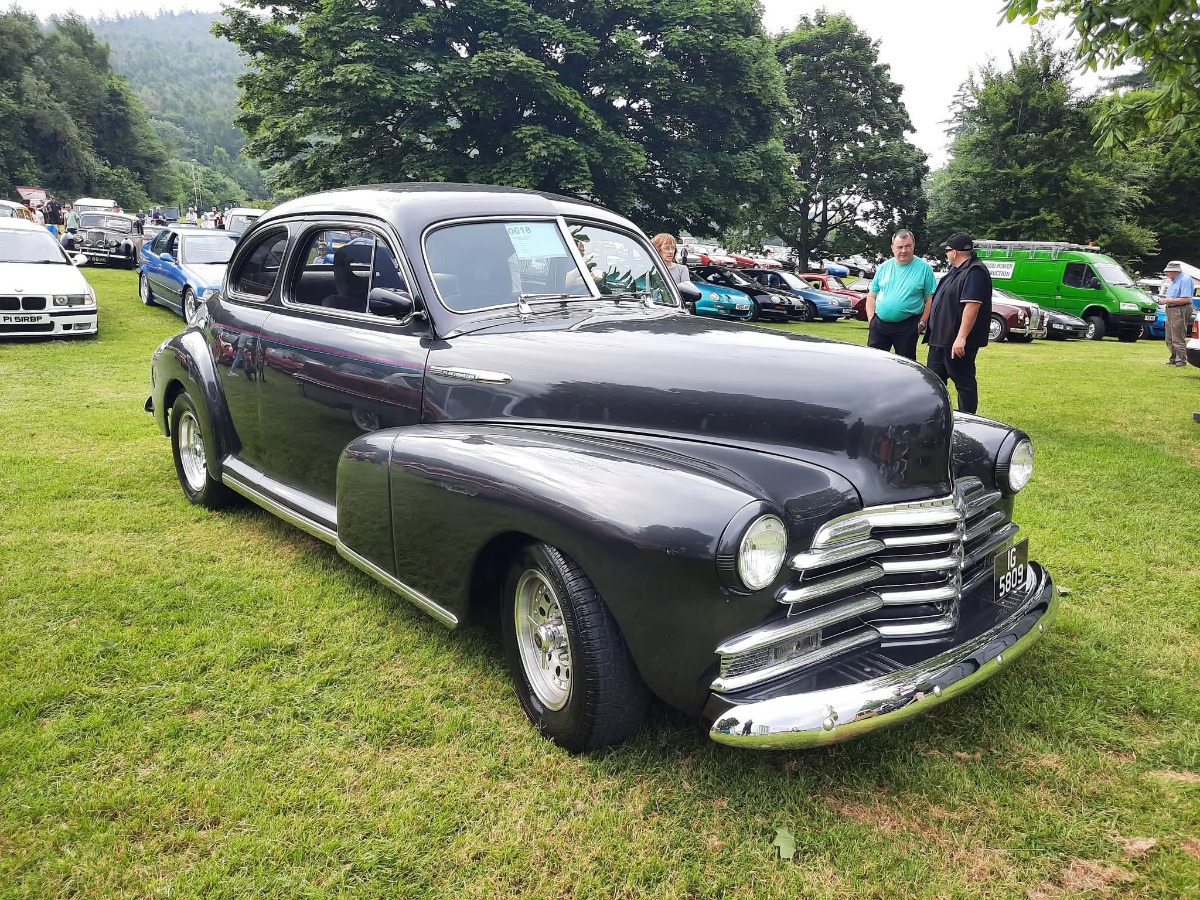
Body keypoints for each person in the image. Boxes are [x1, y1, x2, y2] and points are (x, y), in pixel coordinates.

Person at [924, 233, 992, 414]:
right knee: (933, 382)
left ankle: (969, 419)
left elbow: (972, 306)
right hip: (940, 339)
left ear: (954, 252)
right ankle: (936, 416)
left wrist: (961, 338)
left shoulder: (975, 272)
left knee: (963, 382)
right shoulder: (956, 270)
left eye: (947, 250)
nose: (946, 254)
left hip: (954, 341)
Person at [865, 229, 937, 360]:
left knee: (905, 364)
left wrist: (922, 323)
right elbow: (871, 295)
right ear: (892, 248)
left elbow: (930, 299)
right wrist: (871, 320)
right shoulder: (884, 267)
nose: (904, 250)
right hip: (879, 324)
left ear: (913, 246)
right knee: (873, 362)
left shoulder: (924, 269)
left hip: (907, 326)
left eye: (908, 246)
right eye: (899, 247)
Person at [1161, 261, 1194, 367]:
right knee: (1169, 337)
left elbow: (1186, 299)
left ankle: (1181, 360)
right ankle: (1173, 358)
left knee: (1177, 336)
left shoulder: (1185, 279)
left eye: (1168, 271)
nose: (1166, 273)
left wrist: (1167, 300)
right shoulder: (1173, 281)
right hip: (1171, 309)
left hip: (1180, 309)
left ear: (1175, 271)